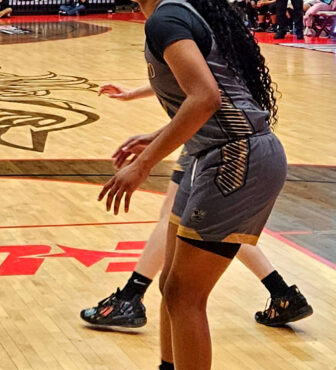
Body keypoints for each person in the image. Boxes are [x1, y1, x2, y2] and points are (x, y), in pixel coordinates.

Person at [99, 0, 288, 370]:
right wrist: (156, 137)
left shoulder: (167, 17)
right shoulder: (173, 14)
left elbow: (207, 98)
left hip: (238, 156)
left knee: (184, 293)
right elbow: (211, 92)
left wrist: (145, 163)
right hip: (218, 151)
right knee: (171, 285)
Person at [83, 80, 311, 334]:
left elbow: (203, 92)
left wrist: (154, 141)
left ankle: (130, 297)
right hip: (213, 135)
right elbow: (184, 74)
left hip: (216, 140)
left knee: (179, 218)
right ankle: (282, 292)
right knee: (213, 227)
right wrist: (137, 93)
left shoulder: (195, 44)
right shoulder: (208, 49)